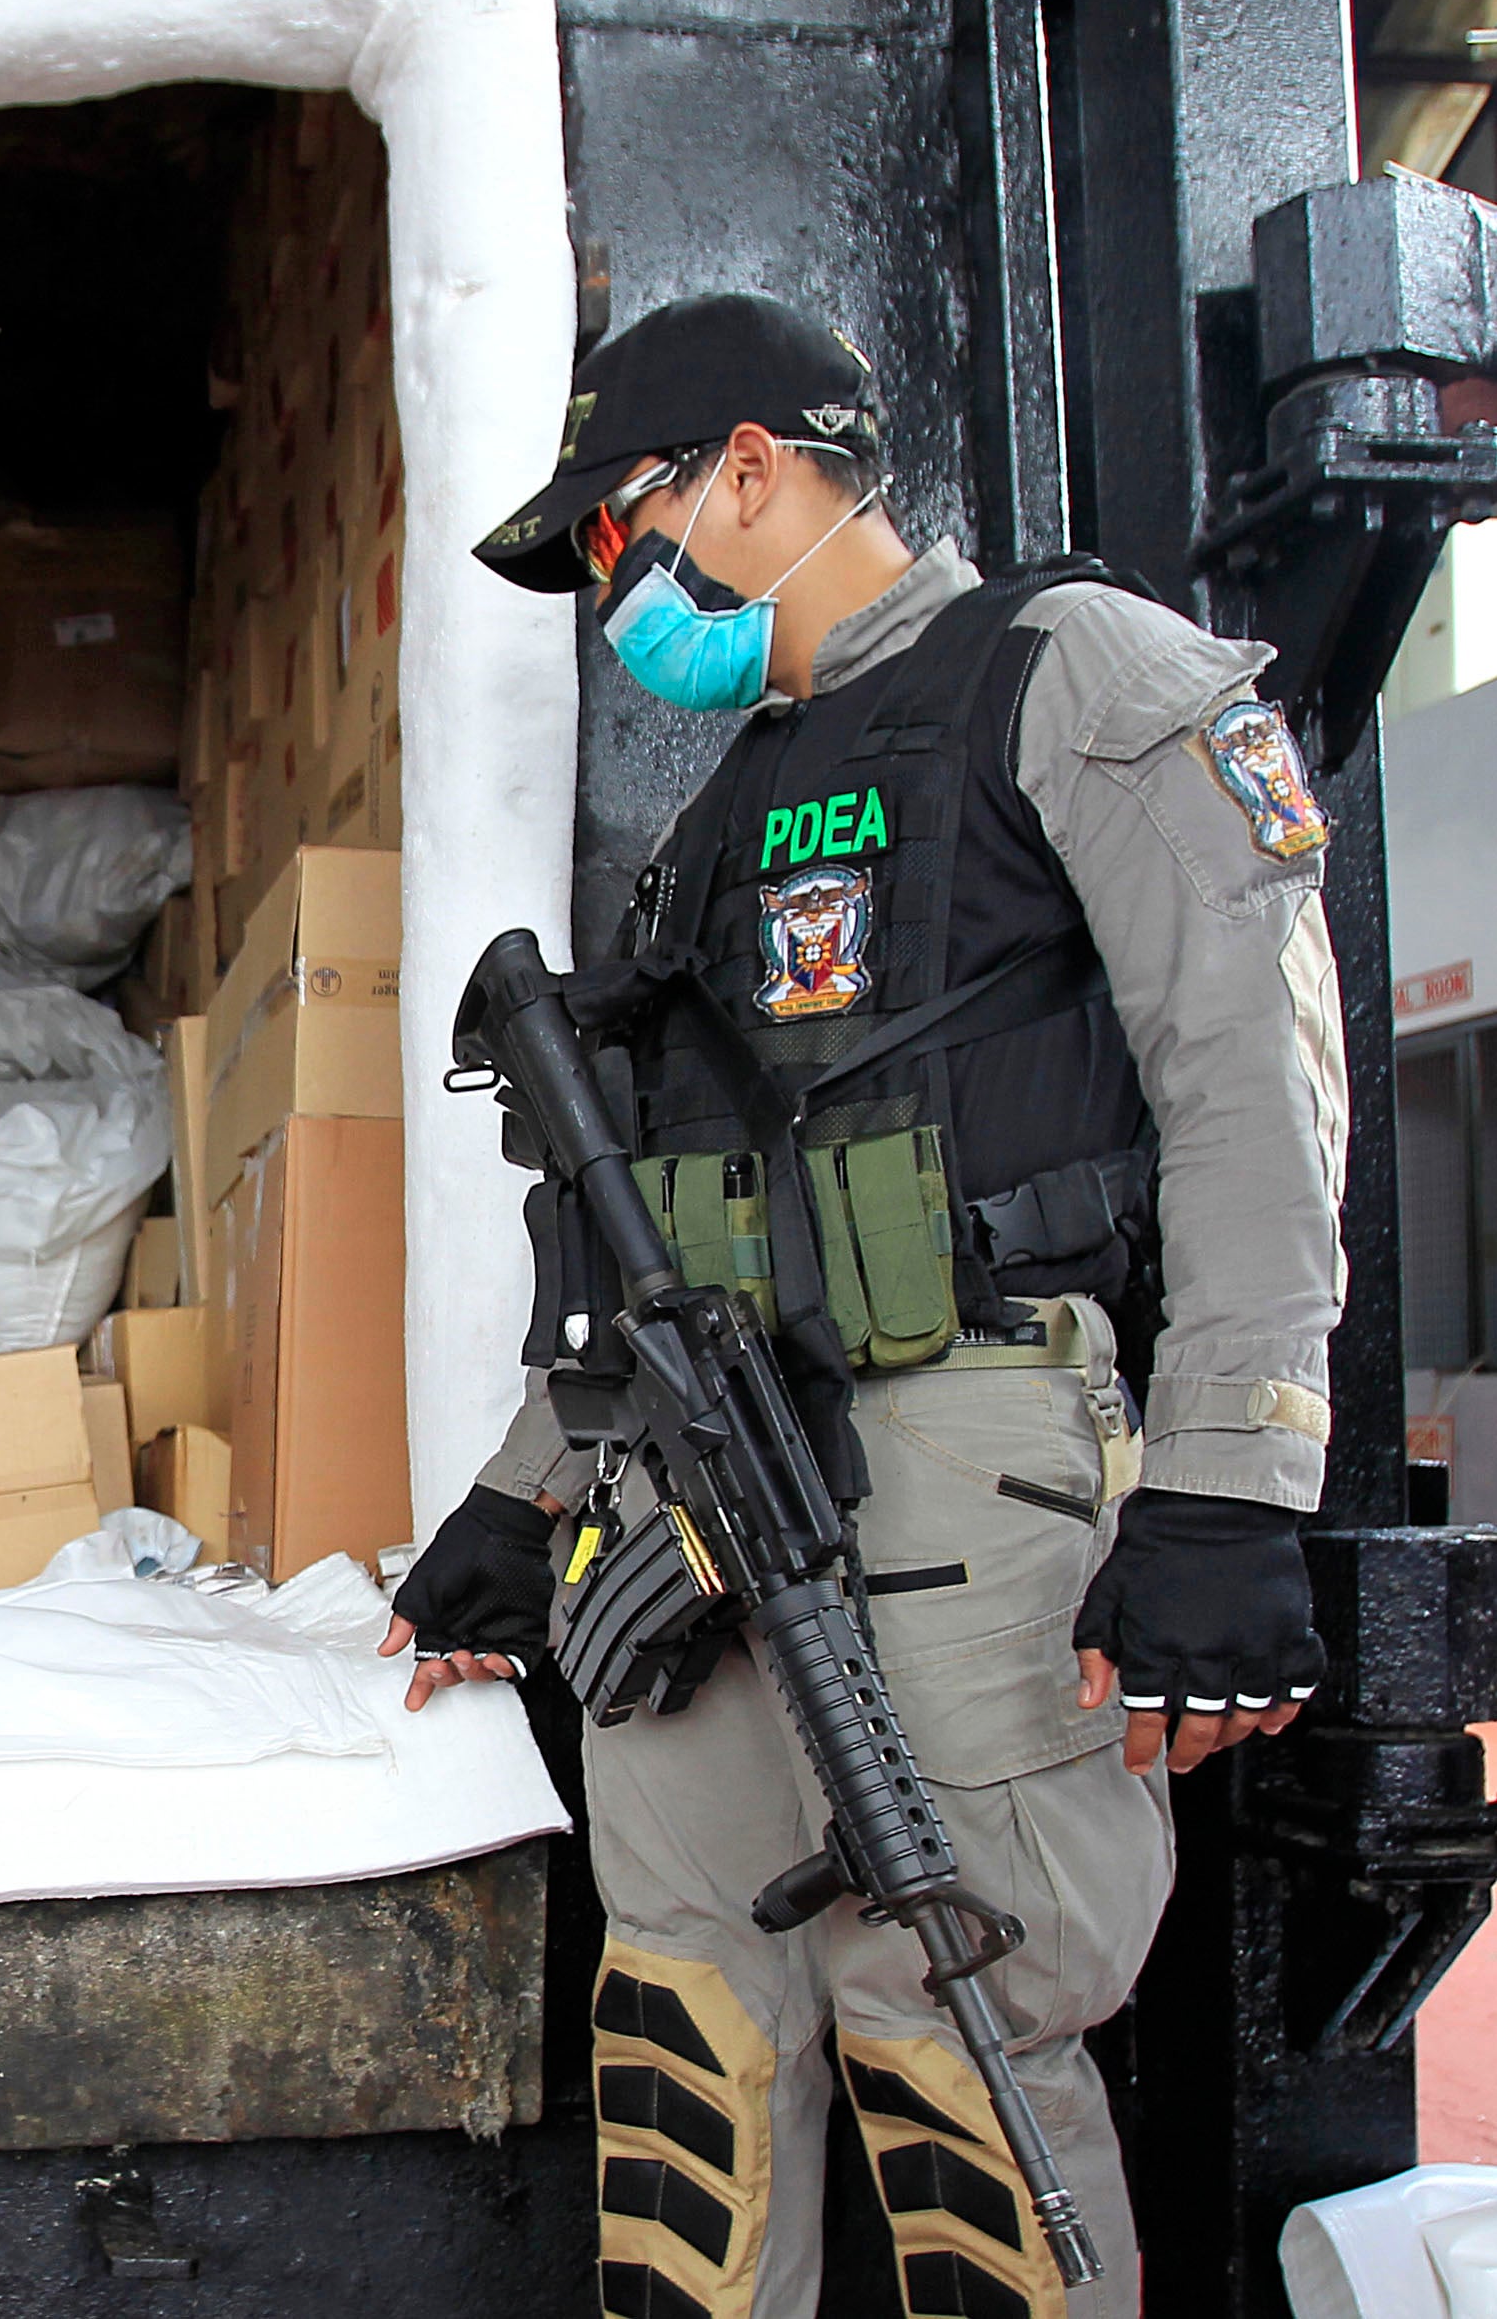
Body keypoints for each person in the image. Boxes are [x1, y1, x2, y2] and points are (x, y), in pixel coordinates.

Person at [387, 293, 1344, 2318]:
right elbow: (660, 1215)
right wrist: (522, 1493)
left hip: (962, 1452)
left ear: (750, 466)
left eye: (619, 530)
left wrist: (1231, 1480)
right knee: (687, 2016)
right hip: (699, 1478)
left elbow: (1251, 1079)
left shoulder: (1070, 671)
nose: (612, 591)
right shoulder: (724, 809)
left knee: (957, 2016)